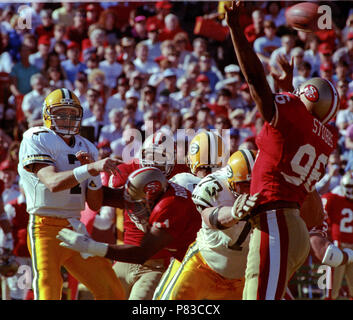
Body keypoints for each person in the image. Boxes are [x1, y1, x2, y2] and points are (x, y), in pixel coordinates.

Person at [225, 1, 340, 300]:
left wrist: (236, 28)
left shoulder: (292, 114)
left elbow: (254, 80)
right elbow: (292, 130)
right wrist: (288, 89)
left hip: (276, 221)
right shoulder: (325, 138)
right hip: (291, 225)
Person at [17, 88, 124, 300]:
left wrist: (93, 175)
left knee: (112, 290)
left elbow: (94, 204)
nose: (67, 119)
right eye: (61, 113)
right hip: (44, 227)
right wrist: (91, 169)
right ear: (48, 115)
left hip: (74, 227)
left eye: (72, 114)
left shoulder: (87, 146)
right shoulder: (36, 137)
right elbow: (52, 183)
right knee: (49, 289)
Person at [57, 167, 201, 300]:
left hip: (198, 264)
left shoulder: (170, 207)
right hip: (150, 261)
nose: (132, 209)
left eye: (137, 205)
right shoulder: (150, 193)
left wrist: (91, 246)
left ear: (154, 200)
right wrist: (75, 185)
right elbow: (110, 196)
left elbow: (141, 253)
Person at [154, 149, 257, 300]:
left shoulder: (269, 190)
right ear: (231, 179)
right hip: (203, 265)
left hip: (240, 276)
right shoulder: (214, 186)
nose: (250, 189)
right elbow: (209, 217)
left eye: (254, 183)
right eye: (245, 184)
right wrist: (234, 213)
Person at [320, 171, 353, 299]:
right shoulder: (333, 198)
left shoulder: (333, 198)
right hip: (339, 246)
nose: (351, 190)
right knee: (332, 288)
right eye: (349, 186)